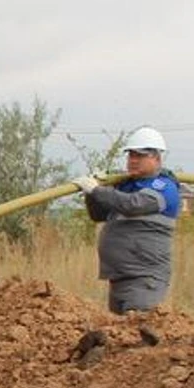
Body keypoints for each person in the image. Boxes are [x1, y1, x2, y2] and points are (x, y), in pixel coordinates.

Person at [75, 126, 182, 314]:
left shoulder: (164, 187)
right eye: (131, 155)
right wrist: (92, 193)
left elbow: (134, 205)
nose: (133, 160)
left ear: (156, 158)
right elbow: (98, 215)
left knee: (137, 330)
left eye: (140, 156)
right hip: (119, 279)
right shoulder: (126, 186)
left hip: (144, 279)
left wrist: (98, 190)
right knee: (120, 336)